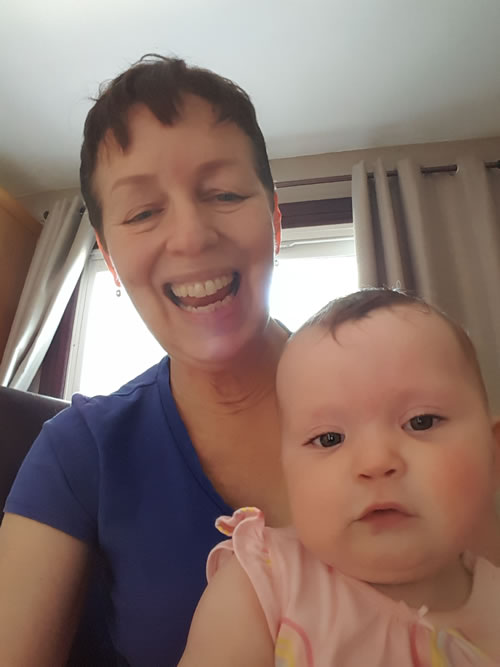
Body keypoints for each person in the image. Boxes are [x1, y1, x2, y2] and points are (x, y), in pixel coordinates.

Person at [0, 55, 290, 666]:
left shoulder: (405, 388)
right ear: (107, 257)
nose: (189, 237)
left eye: (224, 192)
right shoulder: (78, 452)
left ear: (275, 222)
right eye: (142, 213)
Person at [179, 289, 500, 667]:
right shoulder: (265, 583)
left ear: (492, 454)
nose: (376, 461)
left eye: (421, 421)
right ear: (287, 471)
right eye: (329, 439)